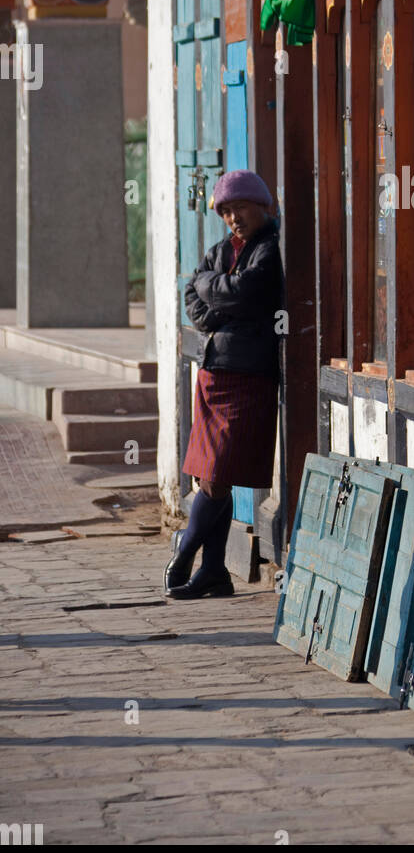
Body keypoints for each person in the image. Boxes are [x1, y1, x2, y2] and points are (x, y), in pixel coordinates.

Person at [164, 169, 284, 600]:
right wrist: (218, 293)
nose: (235, 217)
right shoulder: (221, 250)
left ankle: (186, 550)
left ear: (261, 206)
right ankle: (215, 571)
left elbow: (246, 293)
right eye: (227, 210)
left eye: (241, 208)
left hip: (247, 375)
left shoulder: (269, 249)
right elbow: (196, 307)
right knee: (212, 475)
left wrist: (209, 287)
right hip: (213, 372)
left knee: (216, 474)